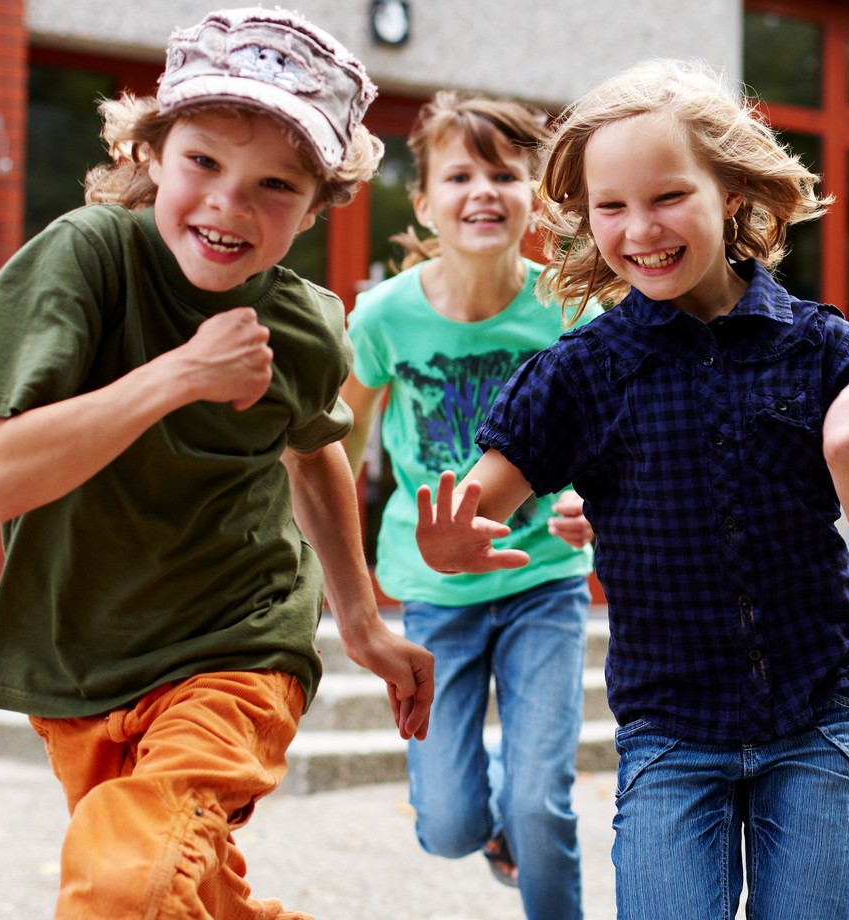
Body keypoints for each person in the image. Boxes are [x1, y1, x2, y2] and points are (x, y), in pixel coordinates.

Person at [411, 59, 849, 919]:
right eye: (611, 207)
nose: (639, 228)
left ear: (729, 191)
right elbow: (479, 508)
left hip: (818, 722)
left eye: (667, 196)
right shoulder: (579, 375)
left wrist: (846, 456)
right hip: (671, 736)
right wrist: (449, 548)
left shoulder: (826, 352)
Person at [0, 9, 433, 917]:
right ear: (150, 155)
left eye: (276, 185)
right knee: (178, 887)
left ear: (320, 206)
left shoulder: (300, 321)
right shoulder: (82, 260)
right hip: (81, 656)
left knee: (125, 884)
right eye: (202, 162)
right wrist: (179, 375)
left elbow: (315, 447)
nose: (229, 204)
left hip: (237, 644)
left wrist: (361, 623)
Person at [339, 90, 599, 919]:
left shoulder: (567, 312)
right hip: (435, 591)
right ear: (424, 203)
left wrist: (592, 499)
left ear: (533, 198)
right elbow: (337, 446)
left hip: (543, 579)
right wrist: (331, 571)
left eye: (504, 172)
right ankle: (483, 825)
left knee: (540, 803)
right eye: (459, 175)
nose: (482, 190)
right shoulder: (383, 317)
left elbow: (612, 439)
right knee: (450, 824)